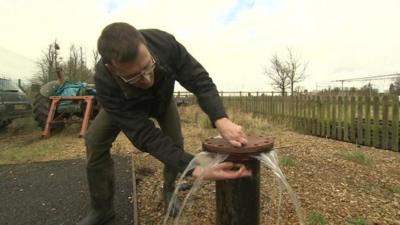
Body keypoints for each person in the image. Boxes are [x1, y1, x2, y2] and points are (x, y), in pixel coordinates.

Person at [78, 22, 250, 225]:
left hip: (162, 101)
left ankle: (169, 189)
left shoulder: (164, 43)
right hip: (126, 108)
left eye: (148, 67)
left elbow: (198, 79)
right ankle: (102, 209)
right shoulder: (104, 82)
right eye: (134, 76)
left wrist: (219, 118)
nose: (147, 79)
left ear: (146, 46)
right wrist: (194, 167)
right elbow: (144, 134)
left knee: (175, 142)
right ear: (112, 69)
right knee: (95, 140)